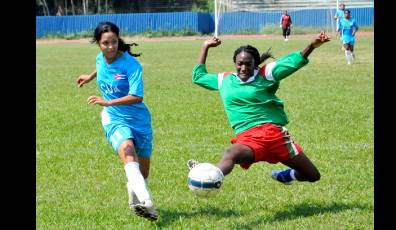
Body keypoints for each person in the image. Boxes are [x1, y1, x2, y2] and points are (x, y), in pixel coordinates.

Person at [188, 32, 330, 187]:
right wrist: (205, 46)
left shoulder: (266, 75)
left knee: (313, 175)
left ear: (255, 64)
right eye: (239, 63)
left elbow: (292, 62)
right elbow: (198, 76)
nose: (243, 68)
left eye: (248, 64)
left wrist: (312, 45)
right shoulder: (225, 80)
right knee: (231, 153)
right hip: (248, 139)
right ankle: (208, 176)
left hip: (274, 136)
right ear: (235, 63)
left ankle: (287, 175)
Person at [76, 21, 157, 221]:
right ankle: (147, 201)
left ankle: (135, 198)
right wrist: (89, 77)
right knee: (129, 156)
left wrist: (107, 100)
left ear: (118, 40)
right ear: (98, 44)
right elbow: (101, 66)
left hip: (139, 121)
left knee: (142, 174)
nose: (110, 47)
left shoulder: (131, 65)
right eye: (105, 43)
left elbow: (137, 96)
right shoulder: (99, 58)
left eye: (114, 42)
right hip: (114, 119)